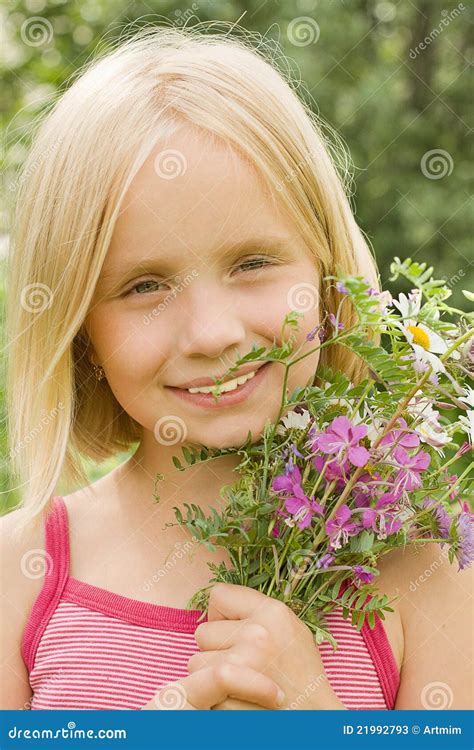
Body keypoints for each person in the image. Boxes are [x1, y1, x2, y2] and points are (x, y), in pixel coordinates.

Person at [2, 24, 471, 711]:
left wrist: (313, 717)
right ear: (80, 331)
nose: (212, 333)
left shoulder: (427, 565)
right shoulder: (19, 575)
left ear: (327, 272)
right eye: (144, 286)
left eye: (252, 263)